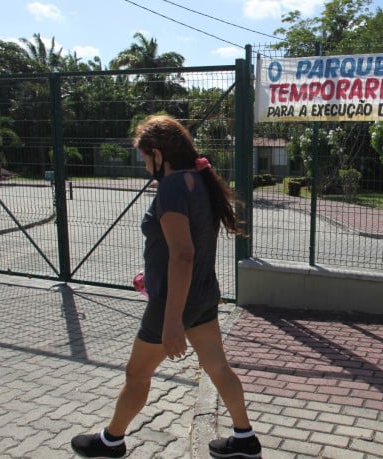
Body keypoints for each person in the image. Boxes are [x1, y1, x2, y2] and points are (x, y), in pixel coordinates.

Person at [71, 115, 261, 459]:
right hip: (203, 295)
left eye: (145, 157)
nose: (144, 165)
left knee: (136, 373)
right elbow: (185, 249)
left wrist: (172, 320)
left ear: (158, 154)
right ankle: (245, 439)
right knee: (217, 367)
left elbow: (184, 255)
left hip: (174, 303)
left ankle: (110, 441)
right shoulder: (199, 180)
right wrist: (152, 273)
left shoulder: (173, 186)